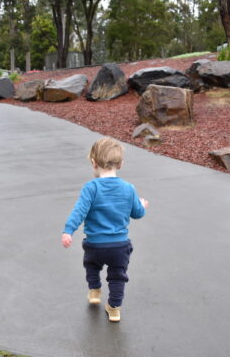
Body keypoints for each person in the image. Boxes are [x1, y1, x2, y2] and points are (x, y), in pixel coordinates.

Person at [61, 137, 149, 322]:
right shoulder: (128, 188)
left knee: (92, 266)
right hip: (119, 246)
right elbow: (137, 214)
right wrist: (141, 204)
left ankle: (94, 291)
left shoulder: (90, 188)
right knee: (118, 277)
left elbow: (79, 211)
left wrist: (68, 230)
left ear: (93, 163)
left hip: (95, 245)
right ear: (121, 164)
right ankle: (114, 308)